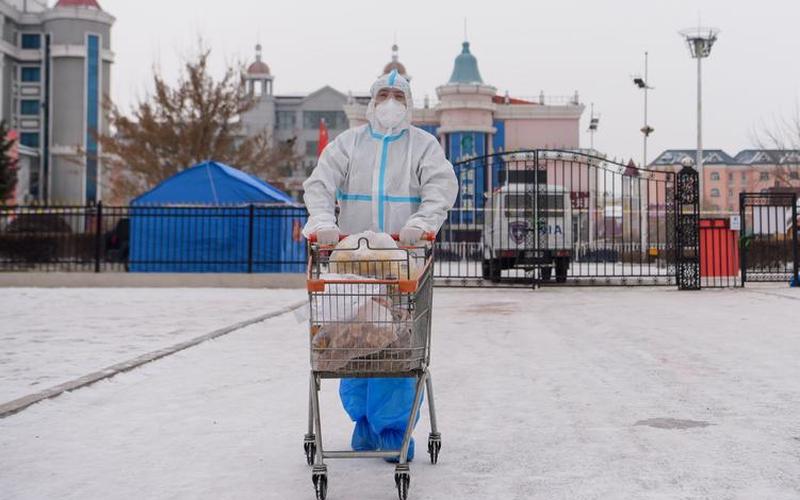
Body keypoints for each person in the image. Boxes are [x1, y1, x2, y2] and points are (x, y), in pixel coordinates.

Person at [302, 69, 458, 460]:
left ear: (409, 103)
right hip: (353, 263)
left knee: (398, 347)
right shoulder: (349, 144)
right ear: (372, 102)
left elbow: (441, 187)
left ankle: (392, 428)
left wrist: (421, 224)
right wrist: (322, 222)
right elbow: (320, 183)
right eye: (384, 94)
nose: (391, 102)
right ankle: (365, 421)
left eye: (398, 95)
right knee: (352, 341)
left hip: (403, 266)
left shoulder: (423, 146)